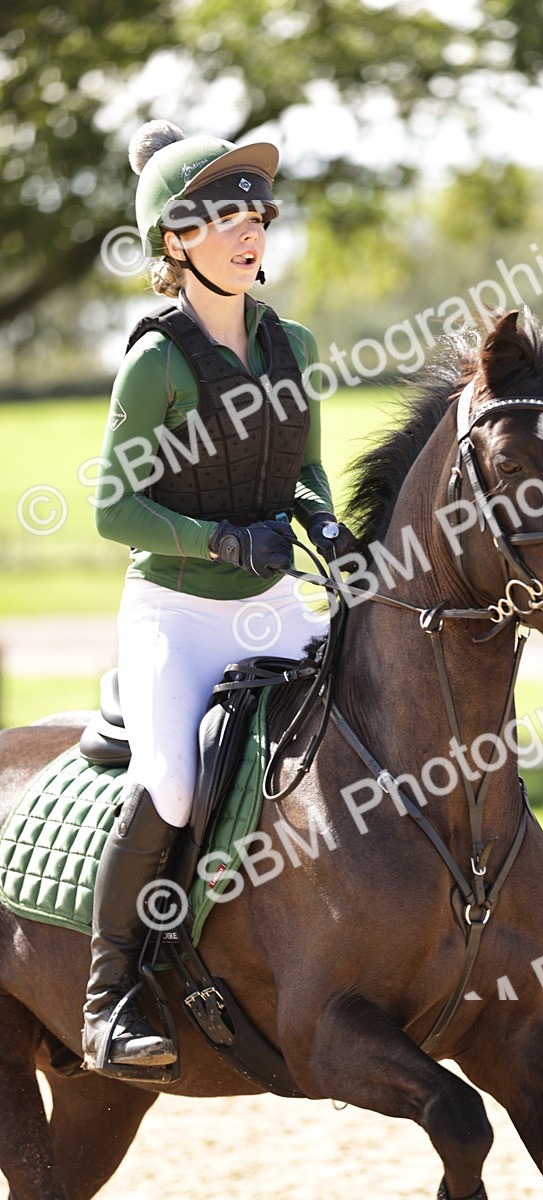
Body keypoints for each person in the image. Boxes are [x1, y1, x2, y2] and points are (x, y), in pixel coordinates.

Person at [82, 119, 355, 1076]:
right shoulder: (155, 361)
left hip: (275, 598)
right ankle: (109, 998)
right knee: (172, 784)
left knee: (357, 726)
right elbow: (114, 507)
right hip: (175, 613)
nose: (250, 231)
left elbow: (309, 470)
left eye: (258, 214)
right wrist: (218, 539)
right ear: (175, 240)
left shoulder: (296, 344)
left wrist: (324, 525)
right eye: (225, 216)